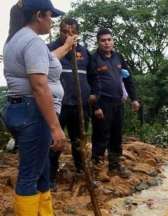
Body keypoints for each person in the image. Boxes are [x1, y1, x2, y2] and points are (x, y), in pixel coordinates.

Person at [2, 0, 76, 215]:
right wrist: (55, 127)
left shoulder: (16, 39)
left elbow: (49, 59)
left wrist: (67, 46)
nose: (52, 21)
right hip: (33, 113)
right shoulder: (32, 42)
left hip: (19, 110)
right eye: (50, 16)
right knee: (30, 175)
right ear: (38, 15)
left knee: (42, 170)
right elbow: (39, 86)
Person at [88, 28, 140, 179]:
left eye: (109, 39)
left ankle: (115, 165)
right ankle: (97, 167)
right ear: (98, 42)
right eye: (103, 40)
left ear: (113, 41)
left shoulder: (118, 57)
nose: (107, 43)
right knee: (100, 135)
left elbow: (128, 79)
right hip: (102, 104)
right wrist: (96, 106)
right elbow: (90, 84)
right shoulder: (94, 59)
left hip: (118, 103)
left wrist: (134, 99)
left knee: (116, 135)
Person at [47, 18, 91, 188]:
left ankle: (82, 173)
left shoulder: (84, 52)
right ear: (59, 31)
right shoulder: (50, 49)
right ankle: (49, 178)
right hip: (57, 106)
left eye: (72, 32)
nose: (68, 35)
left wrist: (93, 95)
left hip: (79, 105)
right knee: (55, 142)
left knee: (79, 141)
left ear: (77, 33)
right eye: (65, 31)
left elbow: (92, 76)